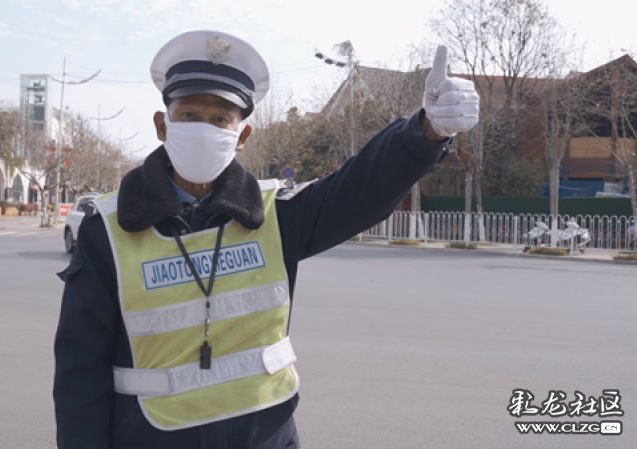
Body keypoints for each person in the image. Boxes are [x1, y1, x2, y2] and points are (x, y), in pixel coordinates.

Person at [53, 30, 479, 449]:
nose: (203, 129)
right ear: (163, 125)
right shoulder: (108, 229)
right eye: (189, 115)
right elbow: (79, 369)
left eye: (220, 119)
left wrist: (426, 132)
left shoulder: (276, 214)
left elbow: (359, 189)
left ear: (241, 136)